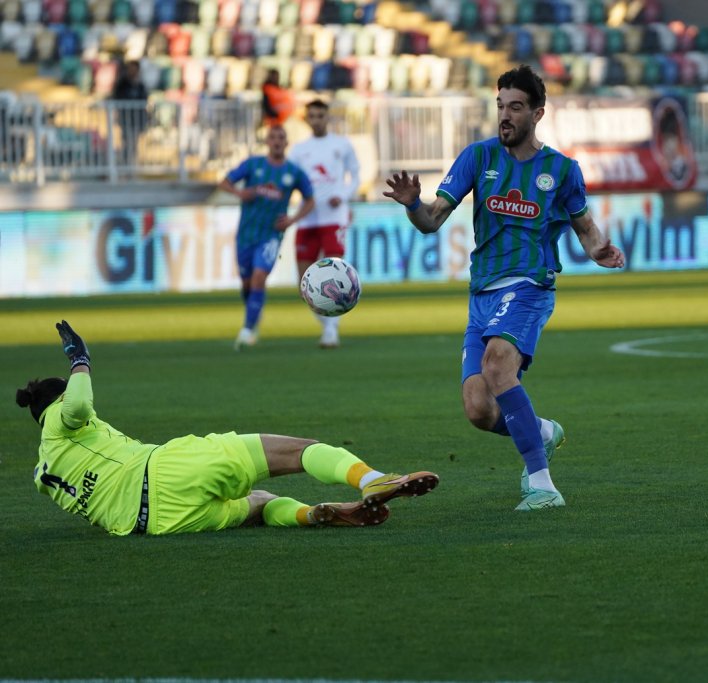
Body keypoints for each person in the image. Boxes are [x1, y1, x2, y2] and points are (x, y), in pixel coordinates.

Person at [383, 64, 625, 511]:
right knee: (478, 408)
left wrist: (599, 250)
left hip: (530, 286)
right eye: (500, 107)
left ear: (538, 113)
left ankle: (542, 485)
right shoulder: (478, 158)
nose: (505, 116)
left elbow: (585, 227)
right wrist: (413, 203)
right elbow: (432, 221)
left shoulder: (562, 170)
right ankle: (542, 431)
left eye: (516, 107)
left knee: (498, 367)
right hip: (483, 295)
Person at [16, 321, 439, 536]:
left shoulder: (43, 474)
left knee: (258, 503)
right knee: (298, 450)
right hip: (163, 471)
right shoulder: (58, 418)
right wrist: (79, 360)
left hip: (158, 524)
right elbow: (79, 402)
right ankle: (372, 480)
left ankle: (313, 515)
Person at [218, 125, 315, 350]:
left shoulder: (294, 172)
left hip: (271, 235)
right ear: (267, 142)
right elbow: (224, 182)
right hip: (246, 234)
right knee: (246, 284)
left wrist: (292, 219)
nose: (277, 141)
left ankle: (247, 330)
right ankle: (254, 313)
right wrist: (239, 193)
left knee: (259, 277)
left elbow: (310, 199)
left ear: (286, 142)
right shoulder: (253, 164)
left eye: (281, 137)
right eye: (273, 137)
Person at [288, 99, 362, 348]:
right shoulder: (299, 150)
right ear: (307, 119)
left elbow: (356, 174)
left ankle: (331, 330)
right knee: (304, 283)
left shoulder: (341, 145)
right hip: (307, 218)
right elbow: (291, 182)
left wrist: (343, 196)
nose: (317, 120)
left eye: (321, 115)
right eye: (313, 116)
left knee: (334, 275)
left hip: (334, 218)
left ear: (327, 117)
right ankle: (328, 325)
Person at [111, 60, 149, 168]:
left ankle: (131, 166)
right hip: (126, 119)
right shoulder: (122, 84)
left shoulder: (141, 85)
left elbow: (144, 101)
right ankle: (125, 165)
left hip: (137, 120)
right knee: (126, 143)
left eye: (134, 69)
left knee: (134, 144)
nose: (132, 71)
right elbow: (117, 98)